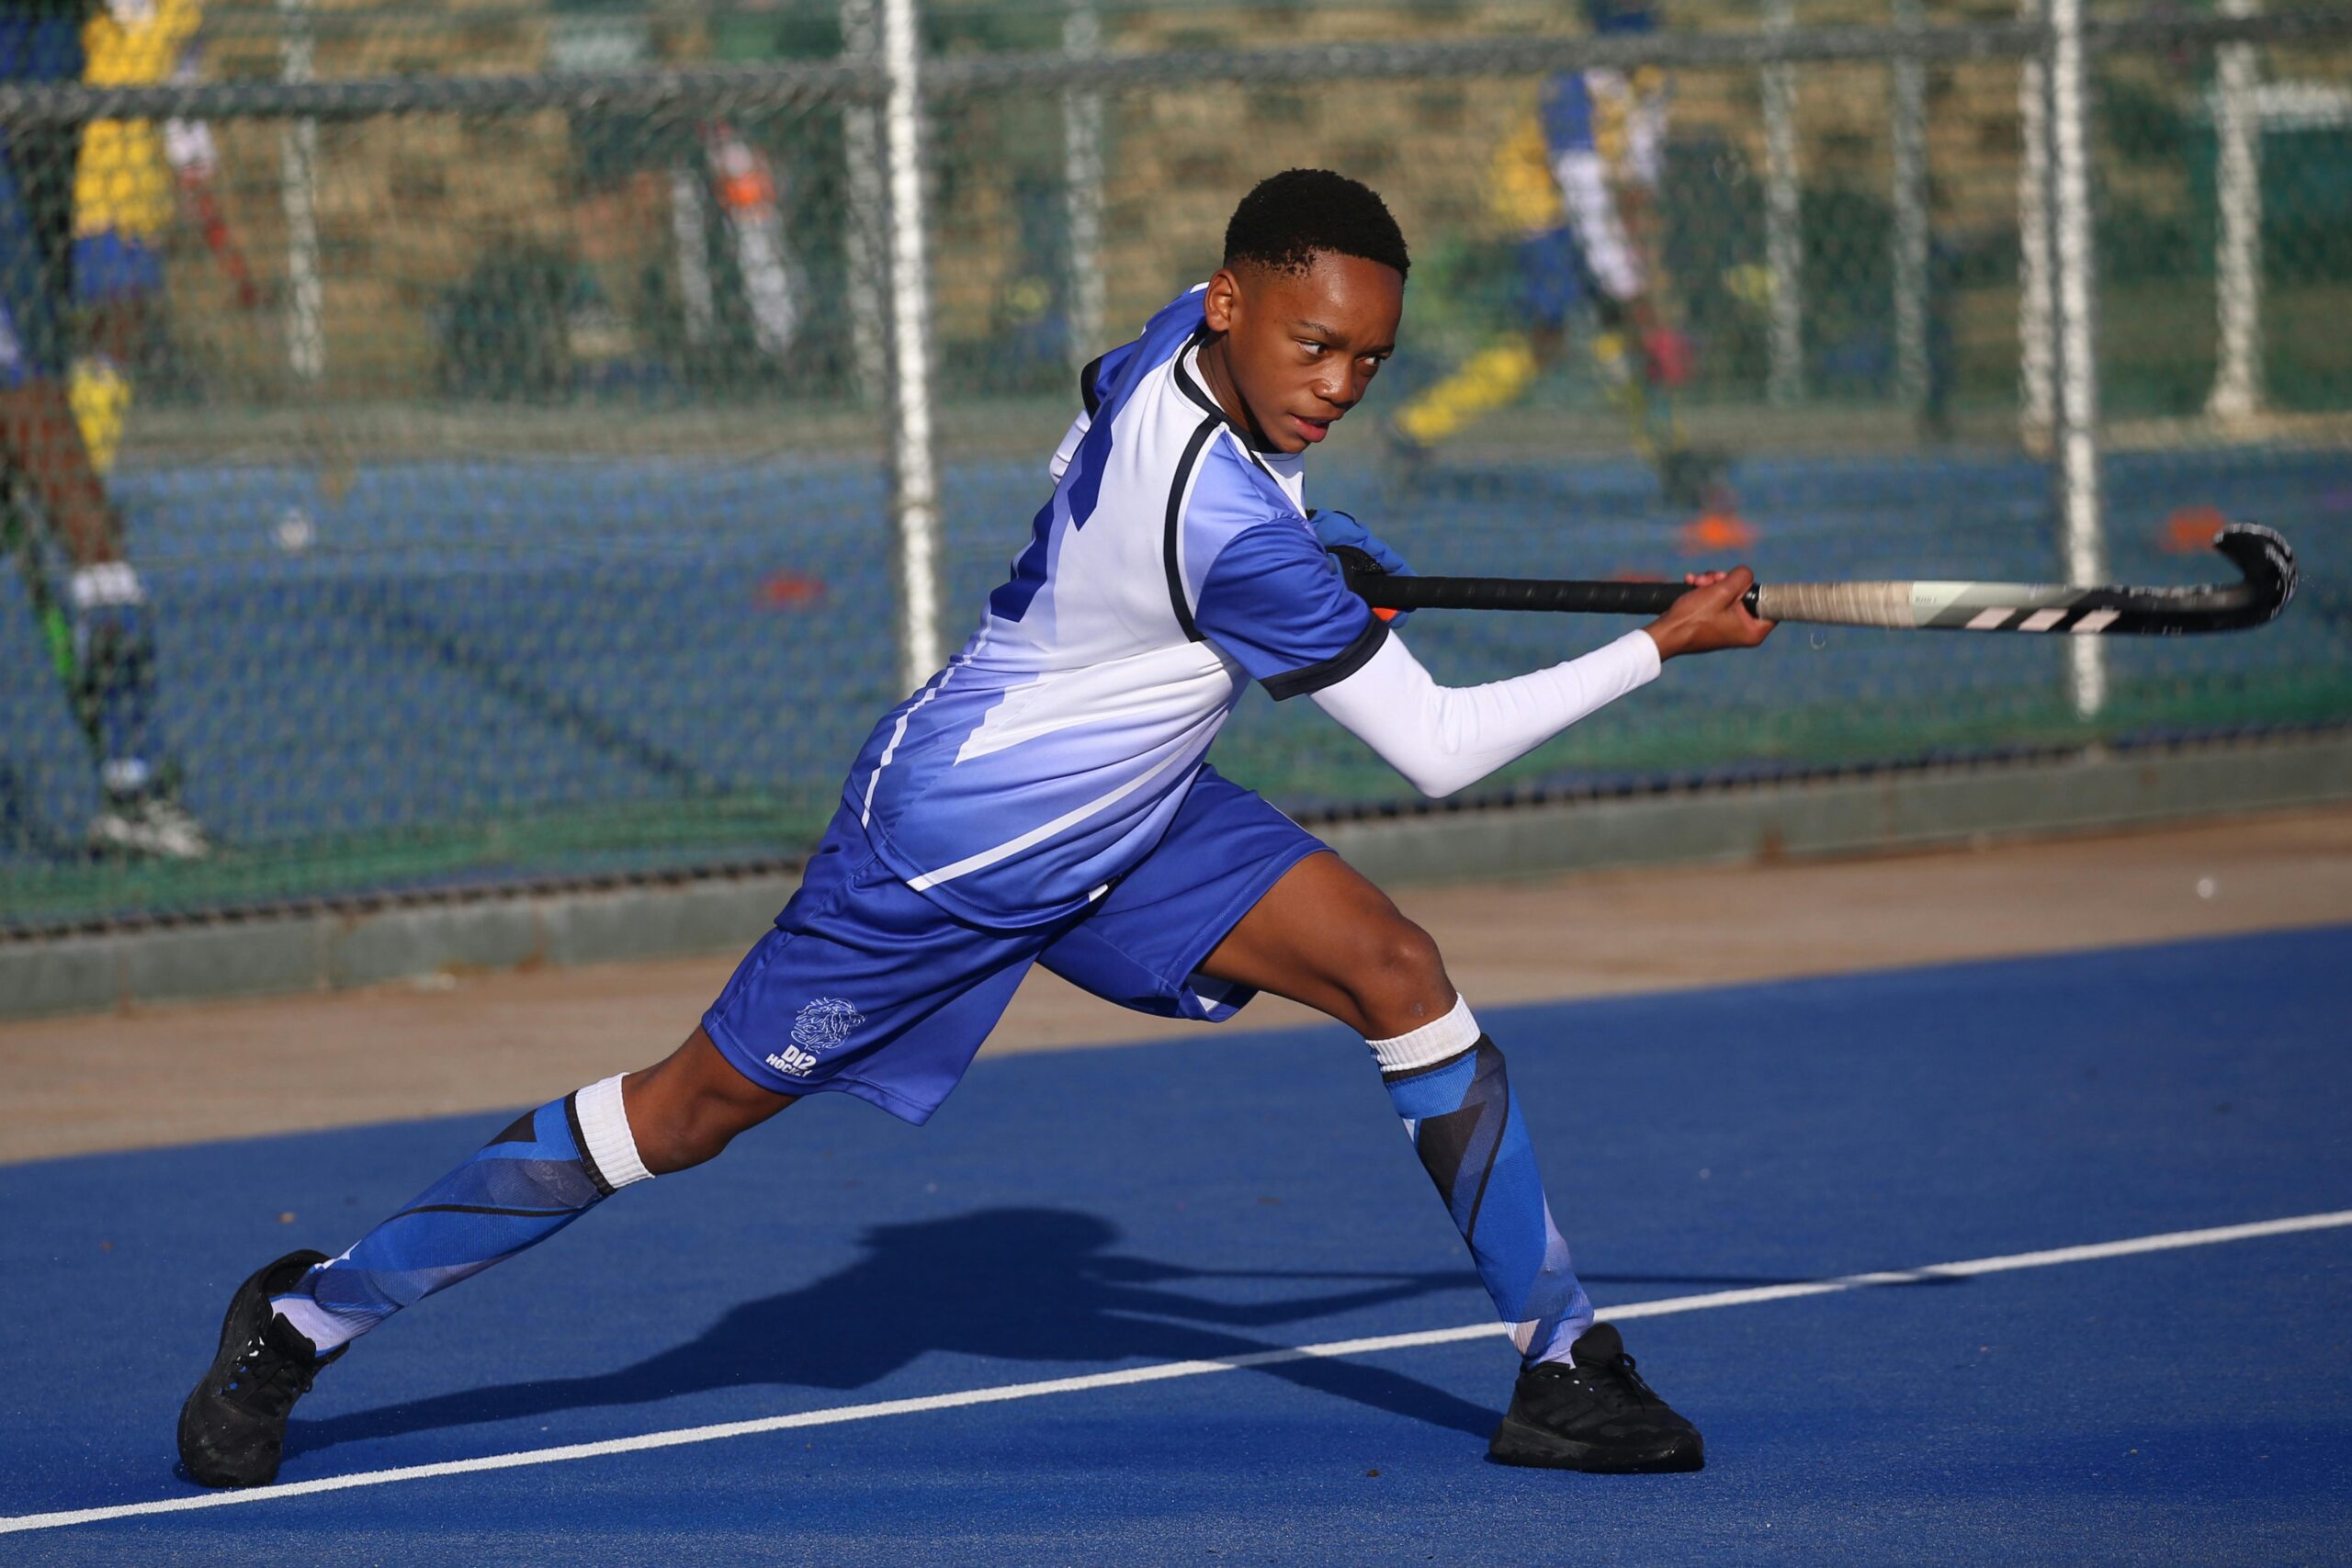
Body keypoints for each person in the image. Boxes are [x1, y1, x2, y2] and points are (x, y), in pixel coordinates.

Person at [176, 168, 1772, 1490]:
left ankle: (1562, 1364)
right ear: (1233, 302)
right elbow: (1433, 745)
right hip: (945, 847)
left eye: (1367, 360)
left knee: (1395, 968)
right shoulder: (1227, 525)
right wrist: (1660, 645)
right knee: (684, 1111)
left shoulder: (1174, 351)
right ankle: (310, 1316)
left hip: (1136, 812)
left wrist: (1330, 536)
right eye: (1315, 347)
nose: (1337, 386)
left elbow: (1104, 397)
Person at [0, 0, 205, 857]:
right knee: (86, 518)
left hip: (35, 189)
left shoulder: (68, 44)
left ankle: (131, 783)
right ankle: (135, 778)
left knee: (64, 501)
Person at [1387, 1, 1720, 507]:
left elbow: (1637, 176)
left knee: (1614, 332)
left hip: (1595, 198)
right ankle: (1417, 426)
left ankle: (1669, 452)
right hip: (1539, 205)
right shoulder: (1571, 90)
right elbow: (1581, 193)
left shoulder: (1650, 79)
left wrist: (1642, 257)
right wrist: (1630, 288)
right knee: (1550, 332)